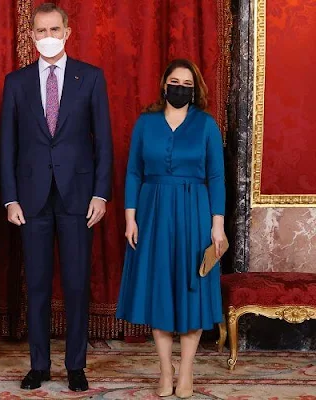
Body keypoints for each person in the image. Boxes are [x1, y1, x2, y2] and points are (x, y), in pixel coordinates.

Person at [0, 3, 113, 392]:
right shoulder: (16, 82)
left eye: (54, 29)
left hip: (79, 198)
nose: (47, 36)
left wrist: (101, 193)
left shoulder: (91, 78)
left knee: (77, 285)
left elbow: (104, 142)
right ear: (31, 36)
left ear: (67, 32)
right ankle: (39, 364)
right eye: (40, 30)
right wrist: (10, 198)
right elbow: (7, 146)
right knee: (38, 286)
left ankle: (76, 365)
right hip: (31, 199)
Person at [116, 59, 226, 399]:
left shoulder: (207, 125)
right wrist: (130, 218)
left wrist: (217, 226)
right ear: (164, 85)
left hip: (195, 213)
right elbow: (134, 171)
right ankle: (166, 371)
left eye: (187, 83)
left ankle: (187, 372)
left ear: (195, 90)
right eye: (175, 81)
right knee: (160, 291)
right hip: (153, 213)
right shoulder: (145, 123)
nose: (180, 87)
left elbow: (216, 176)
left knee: (192, 292)